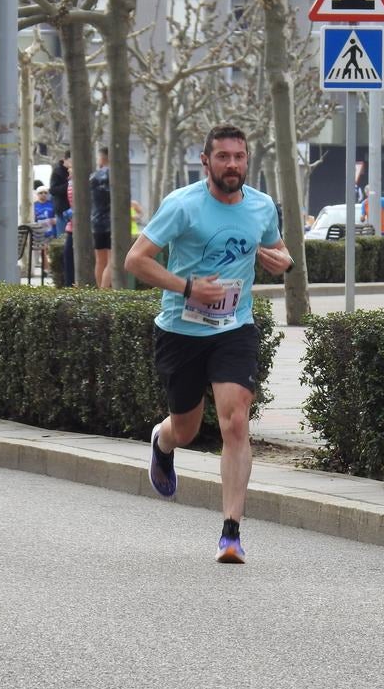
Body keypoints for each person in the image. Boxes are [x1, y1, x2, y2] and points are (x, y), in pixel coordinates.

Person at [124, 123, 293, 564]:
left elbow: (279, 251)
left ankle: (231, 533)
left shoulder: (260, 207)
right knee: (187, 428)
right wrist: (187, 288)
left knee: (236, 421)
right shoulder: (182, 205)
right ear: (206, 161)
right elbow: (135, 261)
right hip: (181, 330)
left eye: (239, 157)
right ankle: (162, 444)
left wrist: (285, 261)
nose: (232, 165)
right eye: (223, 157)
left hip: (234, 329)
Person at [91, 147, 112, 288]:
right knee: (112, 260)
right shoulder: (113, 175)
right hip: (111, 222)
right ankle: (106, 291)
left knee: (100, 260)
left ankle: (100, 291)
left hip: (96, 221)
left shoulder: (93, 177)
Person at [49, 152, 71, 238]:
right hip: (62, 209)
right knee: (63, 236)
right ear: (65, 160)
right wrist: (69, 184)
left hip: (73, 209)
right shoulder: (57, 172)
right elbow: (53, 190)